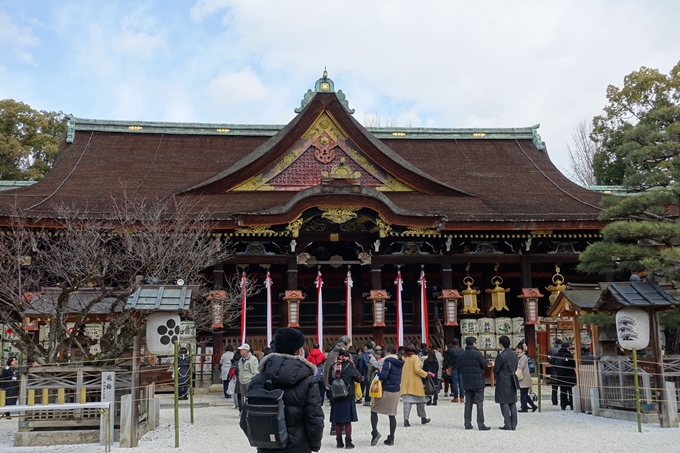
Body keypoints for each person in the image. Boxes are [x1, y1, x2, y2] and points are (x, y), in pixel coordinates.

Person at [240, 327, 324, 453]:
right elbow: (314, 419)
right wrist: (314, 445)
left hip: (266, 447)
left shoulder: (258, 379)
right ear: (298, 350)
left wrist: (261, 439)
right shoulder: (308, 381)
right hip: (298, 447)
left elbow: (245, 419)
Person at [328, 347, 363, 449]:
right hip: (348, 395)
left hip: (336, 396)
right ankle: (348, 442)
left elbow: (330, 382)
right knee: (347, 421)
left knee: (338, 420)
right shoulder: (350, 365)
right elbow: (358, 378)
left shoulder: (333, 366)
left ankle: (339, 442)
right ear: (348, 356)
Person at [370, 344, 403, 446]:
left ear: (388, 352)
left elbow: (384, 376)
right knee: (392, 414)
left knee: (374, 410)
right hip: (396, 390)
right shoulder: (399, 362)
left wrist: (376, 374)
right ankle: (391, 438)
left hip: (386, 389)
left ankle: (374, 432)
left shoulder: (387, 361)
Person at [458, 337, 490, 431]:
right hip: (478, 381)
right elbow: (484, 365)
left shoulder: (462, 355)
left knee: (468, 403)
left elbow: (459, 366)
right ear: (474, 344)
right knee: (479, 403)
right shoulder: (478, 354)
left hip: (467, 381)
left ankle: (467, 423)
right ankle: (481, 424)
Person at [400, 343, 430, 427]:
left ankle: (406, 419)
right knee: (420, 401)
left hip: (405, 382)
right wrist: (425, 374)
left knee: (407, 403)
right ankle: (423, 418)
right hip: (415, 382)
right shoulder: (415, 358)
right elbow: (417, 369)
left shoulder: (403, 358)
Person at [493, 335, 518, 430]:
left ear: (501, 344)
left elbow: (495, 370)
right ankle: (514, 424)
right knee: (512, 402)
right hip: (512, 378)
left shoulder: (501, 356)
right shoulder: (514, 354)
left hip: (503, 379)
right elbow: (515, 367)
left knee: (504, 402)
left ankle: (507, 423)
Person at [553, 343, 576, 410]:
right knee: (570, 392)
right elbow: (573, 365)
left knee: (563, 391)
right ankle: (572, 405)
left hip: (560, 376)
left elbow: (553, 365)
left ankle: (563, 406)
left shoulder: (556, 355)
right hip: (569, 376)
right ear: (567, 348)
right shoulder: (569, 355)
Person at [237, 343, 260, 411]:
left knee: (250, 398)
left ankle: (251, 412)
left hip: (249, 381)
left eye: (242, 350)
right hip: (241, 382)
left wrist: (253, 382)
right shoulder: (241, 359)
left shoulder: (253, 359)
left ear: (246, 351)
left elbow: (255, 372)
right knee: (243, 399)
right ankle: (244, 412)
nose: (240, 351)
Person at [516, 344, 537, 413]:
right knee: (524, 393)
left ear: (522, 350)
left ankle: (525, 408)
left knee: (524, 393)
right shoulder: (519, 357)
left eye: (519, 349)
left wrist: (515, 364)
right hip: (522, 377)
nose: (517, 350)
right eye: (516, 349)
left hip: (524, 377)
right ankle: (532, 406)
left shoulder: (524, 357)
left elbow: (521, 366)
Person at [444, 338, 465, 403]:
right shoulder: (462, 350)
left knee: (455, 383)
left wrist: (446, 367)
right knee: (461, 382)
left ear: (452, 343)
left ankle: (455, 397)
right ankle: (462, 397)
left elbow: (447, 360)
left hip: (453, 367)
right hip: (461, 367)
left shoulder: (450, 350)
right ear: (458, 343)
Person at [547, 338, 563, 406]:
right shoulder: (564, 350)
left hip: (554, 370)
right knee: (563, 388)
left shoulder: (552, 350)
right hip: (563, 371)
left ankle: (554, 401)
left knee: (554, 388)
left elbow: (548, 359)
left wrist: (552, 363)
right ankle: (564, 401)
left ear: (555, 344)